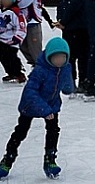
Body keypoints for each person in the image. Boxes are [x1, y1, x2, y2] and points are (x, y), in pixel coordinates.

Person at [0, 37, 73, 180]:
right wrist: (44, 110)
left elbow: (66, 87)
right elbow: (30, 93)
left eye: (63, 57)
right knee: (20, 132)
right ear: (49, 57)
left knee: (53, 131)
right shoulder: (40, 71)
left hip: (51, 105)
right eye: (56, 57)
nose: (59, 61)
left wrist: (69, 85)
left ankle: (50, 160)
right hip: (31, 105)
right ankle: (7, 160)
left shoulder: (64, 68)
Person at [55, 0, 94, 93]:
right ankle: (82, 82)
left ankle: (70, 82)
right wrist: (64, 20)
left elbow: (61, 4)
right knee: (83, 56)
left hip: (69, 28)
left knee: (70, 56)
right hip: (80, 27)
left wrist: (61, 20)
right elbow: (74, 6)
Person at [4, 0, 42, 67]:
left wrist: (12, 4)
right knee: (24, 47)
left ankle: (42, 70)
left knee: (35, 49)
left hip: (32, 22)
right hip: (22, 23)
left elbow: (24, 2)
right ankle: (36, 68)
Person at [0, 0, 26, 83]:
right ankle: (10, 73)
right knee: (3, 57)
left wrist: (18, 37)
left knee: (11, 57)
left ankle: (18, 73)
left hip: (11, 40)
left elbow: (21, 26)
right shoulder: (1, 11)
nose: (4, 1)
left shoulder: (16, 12)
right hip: (1, 39)